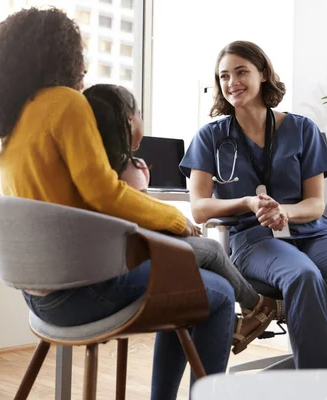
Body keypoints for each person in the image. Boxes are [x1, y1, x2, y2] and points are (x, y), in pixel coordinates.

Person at [0, 8, 230, 398]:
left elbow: (80, 201)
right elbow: (103, 192)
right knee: (218, 296)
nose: (84, 66)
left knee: (190, 282)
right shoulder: (66, 103)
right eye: (79, 54)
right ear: (61, 55)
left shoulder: (14, 122)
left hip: (41, 300)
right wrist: (174, 219)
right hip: (85, 291)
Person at [179, 40, 327, 369]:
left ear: (263, 74)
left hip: (314, 231)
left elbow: (316, 203)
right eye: (224, 76)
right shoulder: (210, 137)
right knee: (303, 277)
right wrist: (246, 202)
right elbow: (200, 208)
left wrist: (284, 211)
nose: (232, 82)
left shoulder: (302, 129)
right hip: (254, 239)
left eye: (241, 71)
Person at [82, 83, 284, 354]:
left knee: (202, 262)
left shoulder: (84, 168)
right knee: (211, 250)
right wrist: (179, 224)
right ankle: (258, 306)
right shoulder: (131, 169)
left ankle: (250, 311)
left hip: (103, 262)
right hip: (132, 260)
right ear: (129, 121)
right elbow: (143, 221)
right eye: (140, 114)